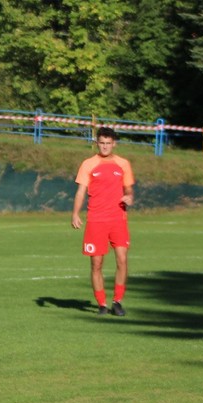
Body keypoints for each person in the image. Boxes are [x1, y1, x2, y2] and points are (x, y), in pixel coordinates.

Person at [71, 127, 135, 316]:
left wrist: (129, 197)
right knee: (96, 264)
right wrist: (75, 213)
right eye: (102, 143)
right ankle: (101, 304)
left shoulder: (123, 164)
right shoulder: (88, 164)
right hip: (96, 220)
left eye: (109, 143)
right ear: (97, 143)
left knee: (122, 259)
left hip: (118, 219)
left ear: (114, 144)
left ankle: (117, 301)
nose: (105, 147)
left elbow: (129, 190)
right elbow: (80, 192)